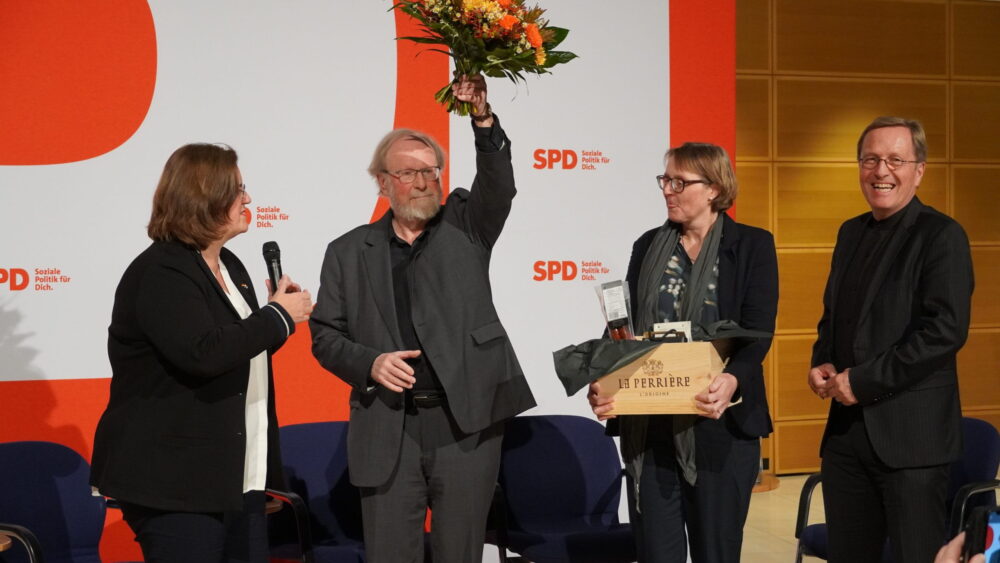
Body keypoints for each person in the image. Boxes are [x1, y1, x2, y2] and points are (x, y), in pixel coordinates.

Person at [309, 74, 535, 563]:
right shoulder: (348, 252)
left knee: (461, 555)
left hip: (464, 426)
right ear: (383, 182)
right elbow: (325, 335)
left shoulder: (466, 224)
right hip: (389, 426)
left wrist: (482, 118)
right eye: (409, 173)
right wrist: (369, 363)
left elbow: (499, 185)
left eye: (431, 171)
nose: (423, 182)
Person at [90, 143, 314, 563]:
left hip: (234, 478)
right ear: (205, 198)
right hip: (177, 483)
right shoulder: (162, 272)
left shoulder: (229, 264)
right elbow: (202, 353)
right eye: (238, 189)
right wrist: (276, 317)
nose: (248, 199)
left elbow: (237, 350)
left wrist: (272, 320)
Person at [588, 142, 778, 563]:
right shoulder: (648, 245)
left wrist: (732, 379)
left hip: (719, 422)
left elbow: (758, 332)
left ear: (713, 188)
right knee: (657, 553)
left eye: (679, 181)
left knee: (716, 553)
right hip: (650, 424)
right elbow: (624, 326)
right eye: (665, 180)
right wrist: (604, 378)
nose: (668, 190)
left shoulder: (752, 246)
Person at [807, 116, 974, 563]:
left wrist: (861, 381)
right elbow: (834, 319)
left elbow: (944, 332)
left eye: (895, 159)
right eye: (870, 159)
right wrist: (822, 360)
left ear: (919, 170)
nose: (881, 170)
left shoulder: (942, 236)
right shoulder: (850, 232)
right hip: (846, 439)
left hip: (911, 443)